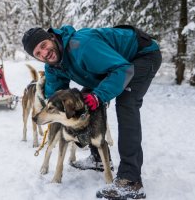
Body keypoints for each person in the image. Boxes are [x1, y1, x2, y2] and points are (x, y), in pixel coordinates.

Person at [22, 25, 161, 199]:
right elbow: (55, 95)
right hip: (114, 66)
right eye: (38, 54)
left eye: (43, 45)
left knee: (126, 103)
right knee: (84, 99)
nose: (44, 53)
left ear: (51, 37)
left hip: (141, 55)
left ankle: (130, 181)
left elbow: (123, 70)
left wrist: (99, 96)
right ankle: (98, 159)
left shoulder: (81, 45)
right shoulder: (53, 65)